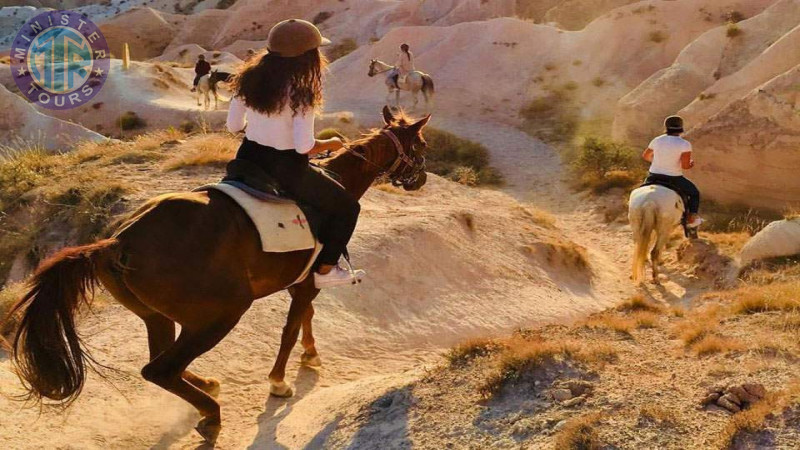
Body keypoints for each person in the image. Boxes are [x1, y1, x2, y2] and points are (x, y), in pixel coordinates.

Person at [226, 19, 365, 288]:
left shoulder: (247, 79)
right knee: (348, 207)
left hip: (246, 160)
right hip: (286, 170)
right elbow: (304, 147)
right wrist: (331, 143)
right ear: (306, 57)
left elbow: (233, 126)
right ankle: (325, 271)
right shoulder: (302, 93)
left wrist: (260, 129)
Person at [642, 115, 703, 228]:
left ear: (666, 127)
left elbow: (646, 156)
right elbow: (685, 166)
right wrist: (691, 164)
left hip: (653, 176)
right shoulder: (684, 144)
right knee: (694, 193)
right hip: (673, 178)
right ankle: (691, 219)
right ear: (681, 127)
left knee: (641, 192)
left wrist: (658, 162)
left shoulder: (657, 140)